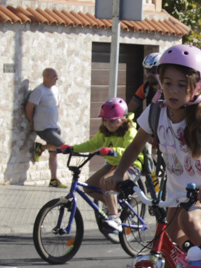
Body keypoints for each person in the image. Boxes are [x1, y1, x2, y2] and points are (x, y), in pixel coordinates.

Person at [107, 43, 201, 247]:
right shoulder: (155, 113)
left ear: (199, 86)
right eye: (167, 83)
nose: (173, 91)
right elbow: (134, 147)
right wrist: (118, 173)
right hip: (176, 191)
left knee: (189, 220)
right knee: (169, 245)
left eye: (182, 85)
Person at [59, 97, 140, 232]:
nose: (108, 124)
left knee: (106, 181)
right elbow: (92, 144)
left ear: (123, 119)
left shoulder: (130, 131)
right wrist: (72, 148)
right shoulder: (106, 131)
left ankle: (115, 218)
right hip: (113, 164)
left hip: (131, 165)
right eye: (105, 120)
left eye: (113, 121)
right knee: (88, 187)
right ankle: (113, 204)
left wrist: (112, 150)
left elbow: (130, 151)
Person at [26, 68, 65, 187]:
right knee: (62, 145)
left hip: (54, 126)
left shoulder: (55, 90)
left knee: (54, 153)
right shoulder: (39, 91)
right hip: (43, 127)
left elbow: (57, 105)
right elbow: (29, 107)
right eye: (54, 76)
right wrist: (31, 122)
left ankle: (53, 179)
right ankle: (41, 147)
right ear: (46, 77)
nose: (57, 79)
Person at [127, 51, 161, 116]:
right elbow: (130, 109)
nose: (149, 74)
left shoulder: (169, 88)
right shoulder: (146, 87)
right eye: (147, 70)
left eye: (153, 71)